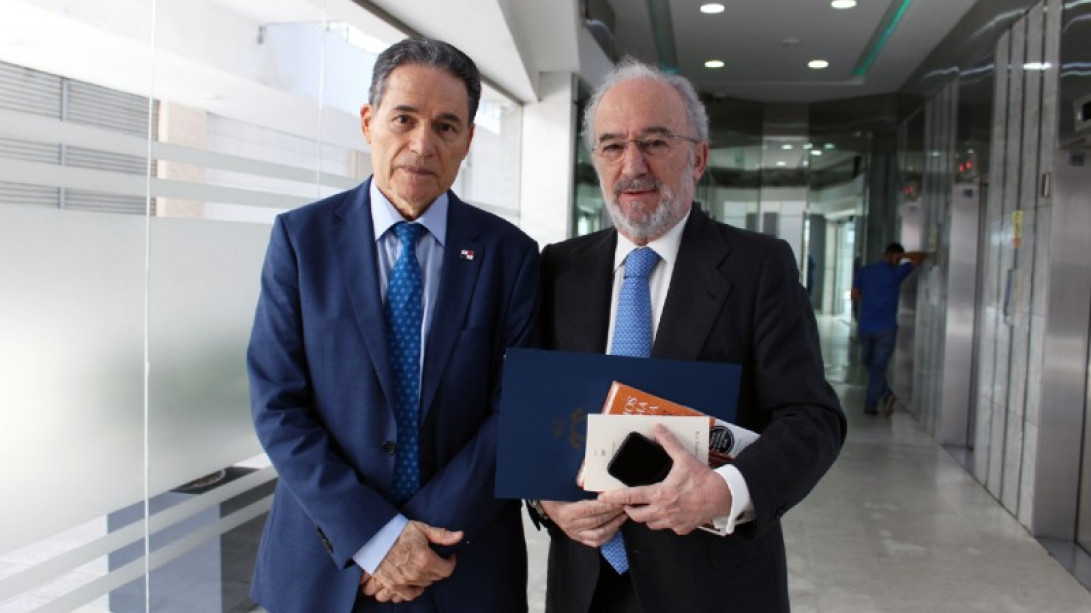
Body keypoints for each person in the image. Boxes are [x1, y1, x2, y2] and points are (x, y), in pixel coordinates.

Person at [530, 59, 846, 613]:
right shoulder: (558, 269)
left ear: (698, 157)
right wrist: (545, 498)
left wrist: (725, 492)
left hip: (712, 584)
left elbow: (812, 418)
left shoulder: (759, 267)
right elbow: (532, 407)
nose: (633, 166)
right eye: (612, 146)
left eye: (654, 142)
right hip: (583, 583)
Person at [247, 38, 539, 613]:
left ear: (468, 142)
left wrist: (414, 543)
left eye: (447, 126)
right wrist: (376, 538)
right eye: (403, 118)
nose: (421, 145)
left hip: (460, 564)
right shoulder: (301, 241)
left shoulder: (511, 256)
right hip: (323, 564)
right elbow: (277, 404)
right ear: (368, 122)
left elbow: (517, 411)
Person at [851, 242, 926, 416]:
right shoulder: (896, 273)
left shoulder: (866, 271)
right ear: (895, 257)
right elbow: (919, 257)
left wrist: (869, 296)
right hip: (886, 328)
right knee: (876, 367)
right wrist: (901, 257)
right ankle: (886, 394)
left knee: (871, 364)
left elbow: (854, 295)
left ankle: (871, 404)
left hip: (866, 326)